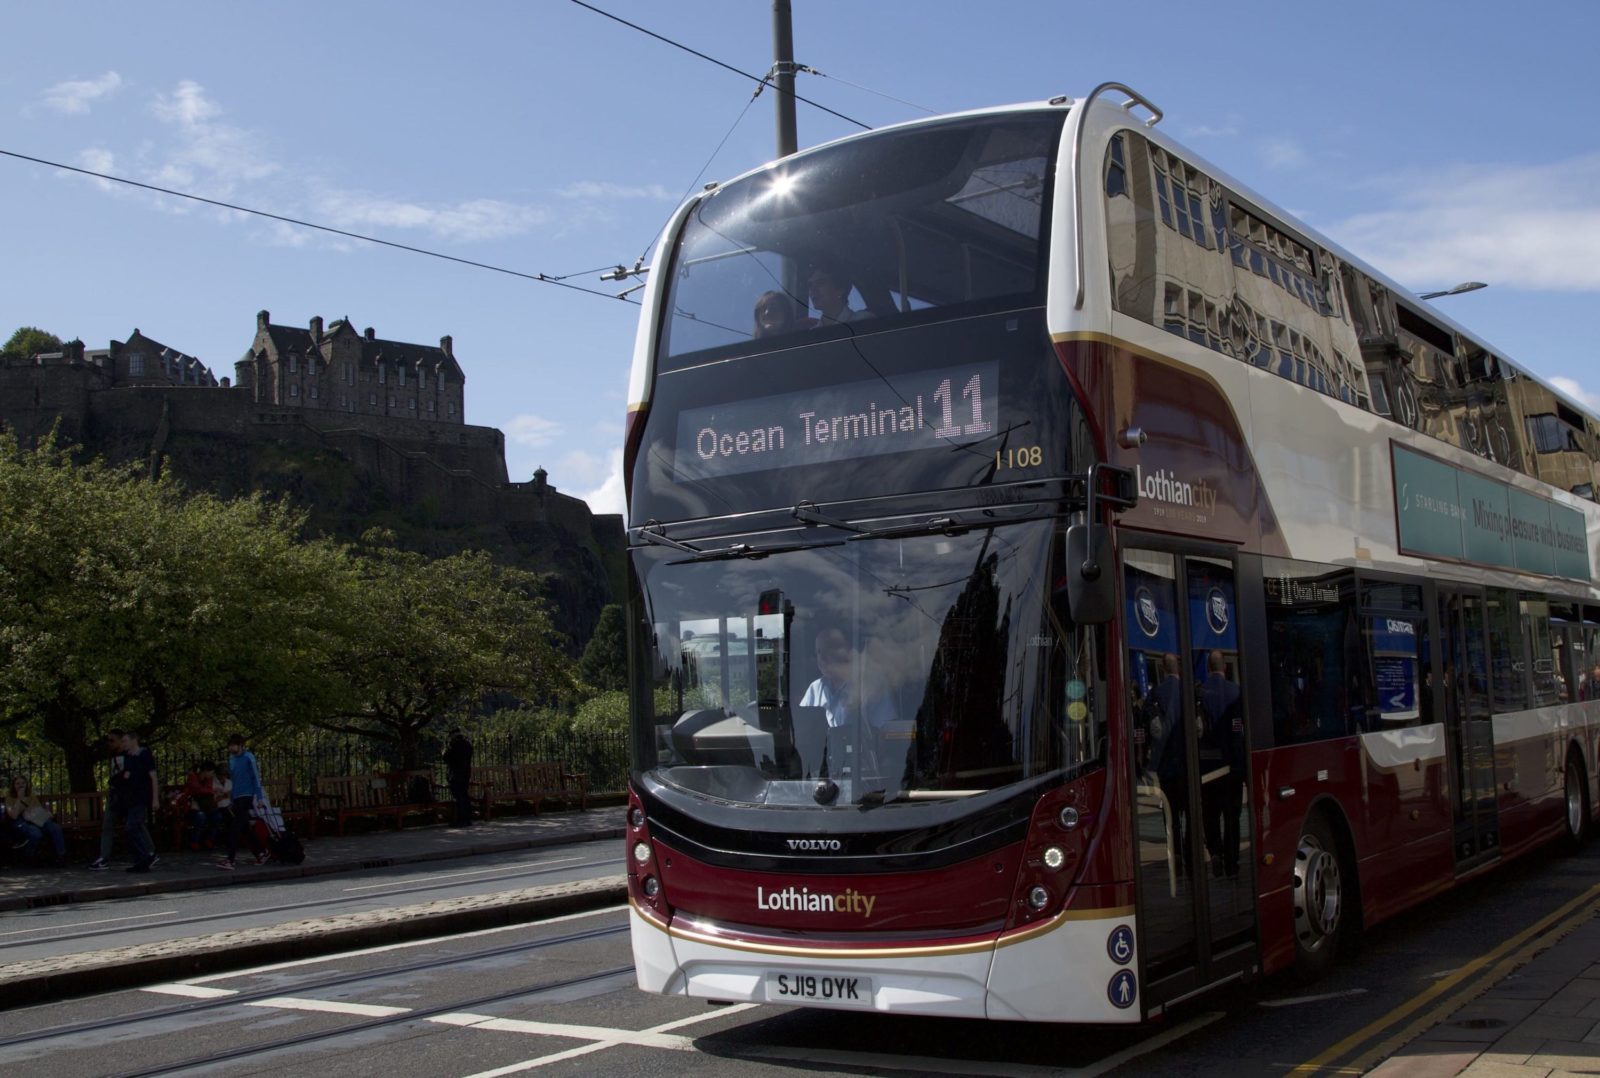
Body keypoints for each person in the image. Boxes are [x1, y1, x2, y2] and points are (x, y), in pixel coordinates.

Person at [799, 627, 899, 785]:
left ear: (848, 651)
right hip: (822, 775)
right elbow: (802, 736)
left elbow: (886, 739)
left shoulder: (872, 685)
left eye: (829, 649)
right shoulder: (814, 689)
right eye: (818, 651)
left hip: (865, 777)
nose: (822, 657)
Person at [1197, 650, 1245, 879]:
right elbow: (1238, 731)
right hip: (1231, 765)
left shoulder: (1200, 693)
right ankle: (1232, 863)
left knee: (1210, 813)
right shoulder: (1236, 692)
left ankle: (1215, 851)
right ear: (1224, 668)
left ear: (1208, 668)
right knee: (1232, 816)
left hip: (1206, 765)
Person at [216, 734, 268, 871]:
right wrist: (232, 798)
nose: (230, 748)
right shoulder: (232, 759)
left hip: (247, 795)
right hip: (237, 796)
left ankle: (230, 860)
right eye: (230, 745)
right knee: (244, 828)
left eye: (233, 745)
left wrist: (260, 798)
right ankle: (261, 853)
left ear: (240, 745)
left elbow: (256, 777)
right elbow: (233, 780)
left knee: (235, 827)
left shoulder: (248, 757)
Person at [118, 730, 160, 874]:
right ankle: (139, 860)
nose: (123, 744)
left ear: (133, 740)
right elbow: (128, 775)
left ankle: (146, 856)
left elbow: (153, 777)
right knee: (131, 829)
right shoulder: (128, 756)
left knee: (132, 827)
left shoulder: (144, 754)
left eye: (125, 741)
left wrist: (155, 798)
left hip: (141, 797)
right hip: (130, 797)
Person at [7, 775, 67, 864]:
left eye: (23, 783)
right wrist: (19, 798)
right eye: (18, 783)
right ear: (13, 786)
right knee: (36, 833)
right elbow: (14, 816)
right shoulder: (10, 798)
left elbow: (38, 811)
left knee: (55, 828)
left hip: (34, 818)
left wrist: (46, 814)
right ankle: (28, 856)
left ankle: (61, 856)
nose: (21, 785)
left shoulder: (31, 796)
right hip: (20, 821)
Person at [443, 728, 474, 828]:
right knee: (465, 795)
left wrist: (446, 746)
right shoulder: (467, 745)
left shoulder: (453, 746)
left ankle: (462, 819)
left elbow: (446, 757)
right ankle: (468, 818)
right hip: (465, 774)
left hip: (455, 775)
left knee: (459, 797)